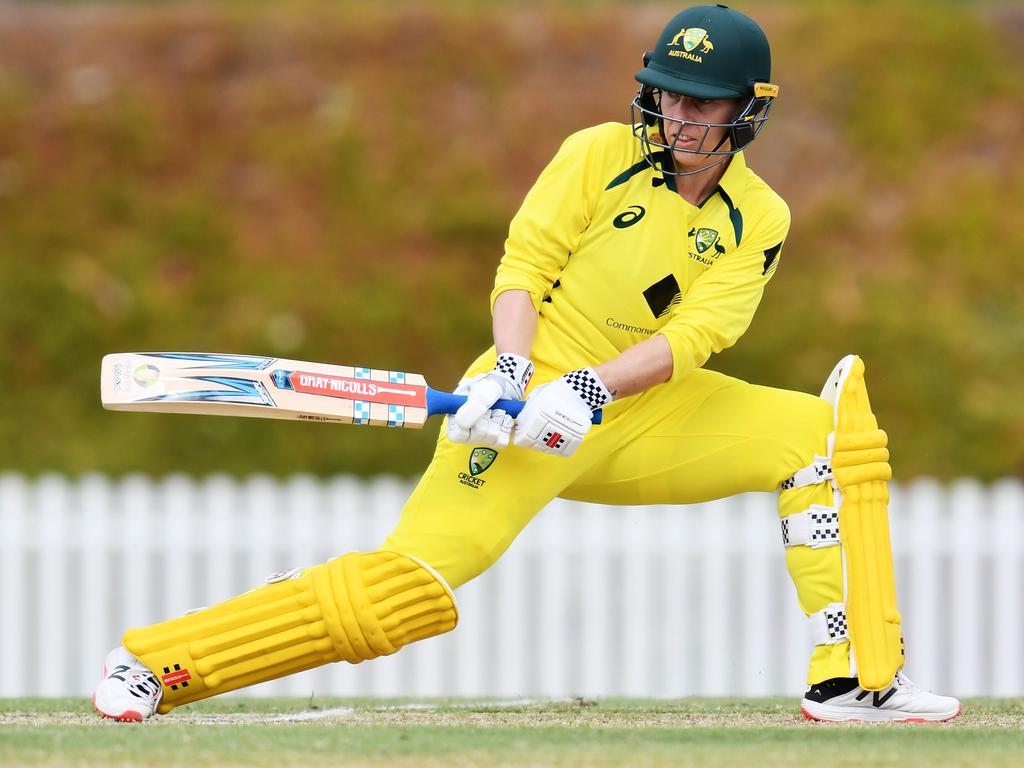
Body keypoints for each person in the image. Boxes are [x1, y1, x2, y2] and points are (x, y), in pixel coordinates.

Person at [93, 4, 960, 723]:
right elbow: (524, 270)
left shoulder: (759, 217)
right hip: (519, 397)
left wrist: (590, 390)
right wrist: (515, 372)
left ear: (748, 110)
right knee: (408, 593)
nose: (680, 119)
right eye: (668, 97)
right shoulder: (595, 155)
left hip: (645, 408)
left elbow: (696, 336)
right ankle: (158, 665)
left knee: (823, 437)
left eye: (703, 105)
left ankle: (857, 676)